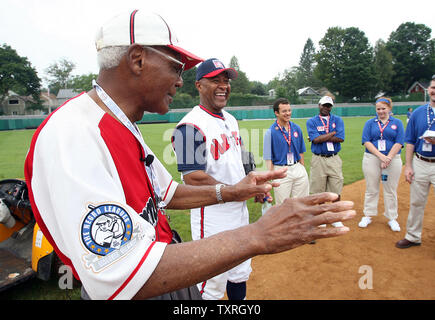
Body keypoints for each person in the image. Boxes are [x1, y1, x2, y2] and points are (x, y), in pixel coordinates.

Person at [24, 10, 356, 300]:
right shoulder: (74, 133)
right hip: (151, 274)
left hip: (170, 254)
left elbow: (166, 193)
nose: (180, 81)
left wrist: (238, 190)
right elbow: (119, 276)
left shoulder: (124, 124)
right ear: (138, 59)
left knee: (238, 278)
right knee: (213, 288)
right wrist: (259, 234)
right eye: (175, 67)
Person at [171, 58, 251, 300]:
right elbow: (193, 179)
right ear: (198, 85)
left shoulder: (230, 119)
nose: (223, 85)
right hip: (213, 215)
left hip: (239, 209)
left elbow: (241, 157)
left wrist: (253, 183)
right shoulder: (190, 126)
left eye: (226, 80)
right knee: (212, 284)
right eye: (215, 80)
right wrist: (235, 190)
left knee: (239, 272)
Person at [396, 76, 435, 249]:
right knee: (416, 201)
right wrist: (409, 166)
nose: (434, 91)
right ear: (429, 90)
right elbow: (410, 141)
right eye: (433, 87)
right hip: (420, 162)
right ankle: (413, 236)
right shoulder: (418, 113)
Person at [358, 97, 404, 231]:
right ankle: (368, 214)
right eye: (378, 109)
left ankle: (392, 217)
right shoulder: (370, 123)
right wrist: (381, 156)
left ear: (389, 108)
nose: (381, 111)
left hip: (393, 159)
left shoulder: (397, 123)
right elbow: (366, 141)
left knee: (390, 189)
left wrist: (388, 158)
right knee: (371, 188)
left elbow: (399, 142)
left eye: (383, 108)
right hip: (372, 158)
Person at [306, 96, 345, 227]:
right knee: (319, 190)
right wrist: (332, 133)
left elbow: (340, 138)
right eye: (324, 105)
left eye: (329, 106)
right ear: (319, 105)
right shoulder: (311, 121)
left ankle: (335, 217)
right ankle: (321, 216)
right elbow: (315, 140)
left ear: (331, 107)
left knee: (336, 188)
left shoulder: (337, 120)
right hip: (318, 158)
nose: (326, 108)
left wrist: (322, 137)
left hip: (334, 158)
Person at [263, 98, 309, 204]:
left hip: (298, 168)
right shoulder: (270, 132)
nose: (288, 113)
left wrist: (302, 168)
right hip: (281, 170)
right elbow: (268, 158)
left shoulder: (297, 128)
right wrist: (270, 177)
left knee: (302, 203)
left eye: (289, 110)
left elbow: (301, 151)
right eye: (284, 111)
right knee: (282, 206)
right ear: (276, 113)